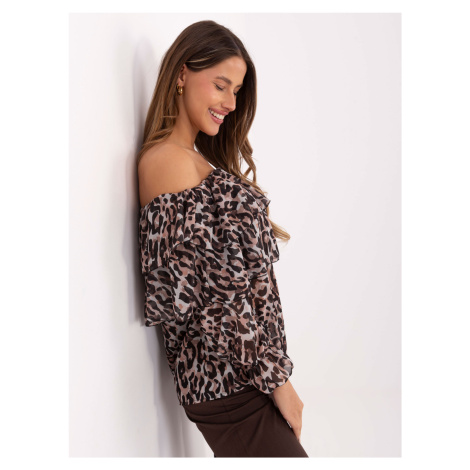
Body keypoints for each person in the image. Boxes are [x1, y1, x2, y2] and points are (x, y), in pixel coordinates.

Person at [136, 20, 308, 458]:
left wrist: (274, 376)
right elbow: (212, 297)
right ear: (181, 74)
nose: (231, 103)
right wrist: (278, 381)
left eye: (236, 90)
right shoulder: (167, 162)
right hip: (230, 382)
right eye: (220, 85)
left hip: (246, 376)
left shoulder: (192, 160)